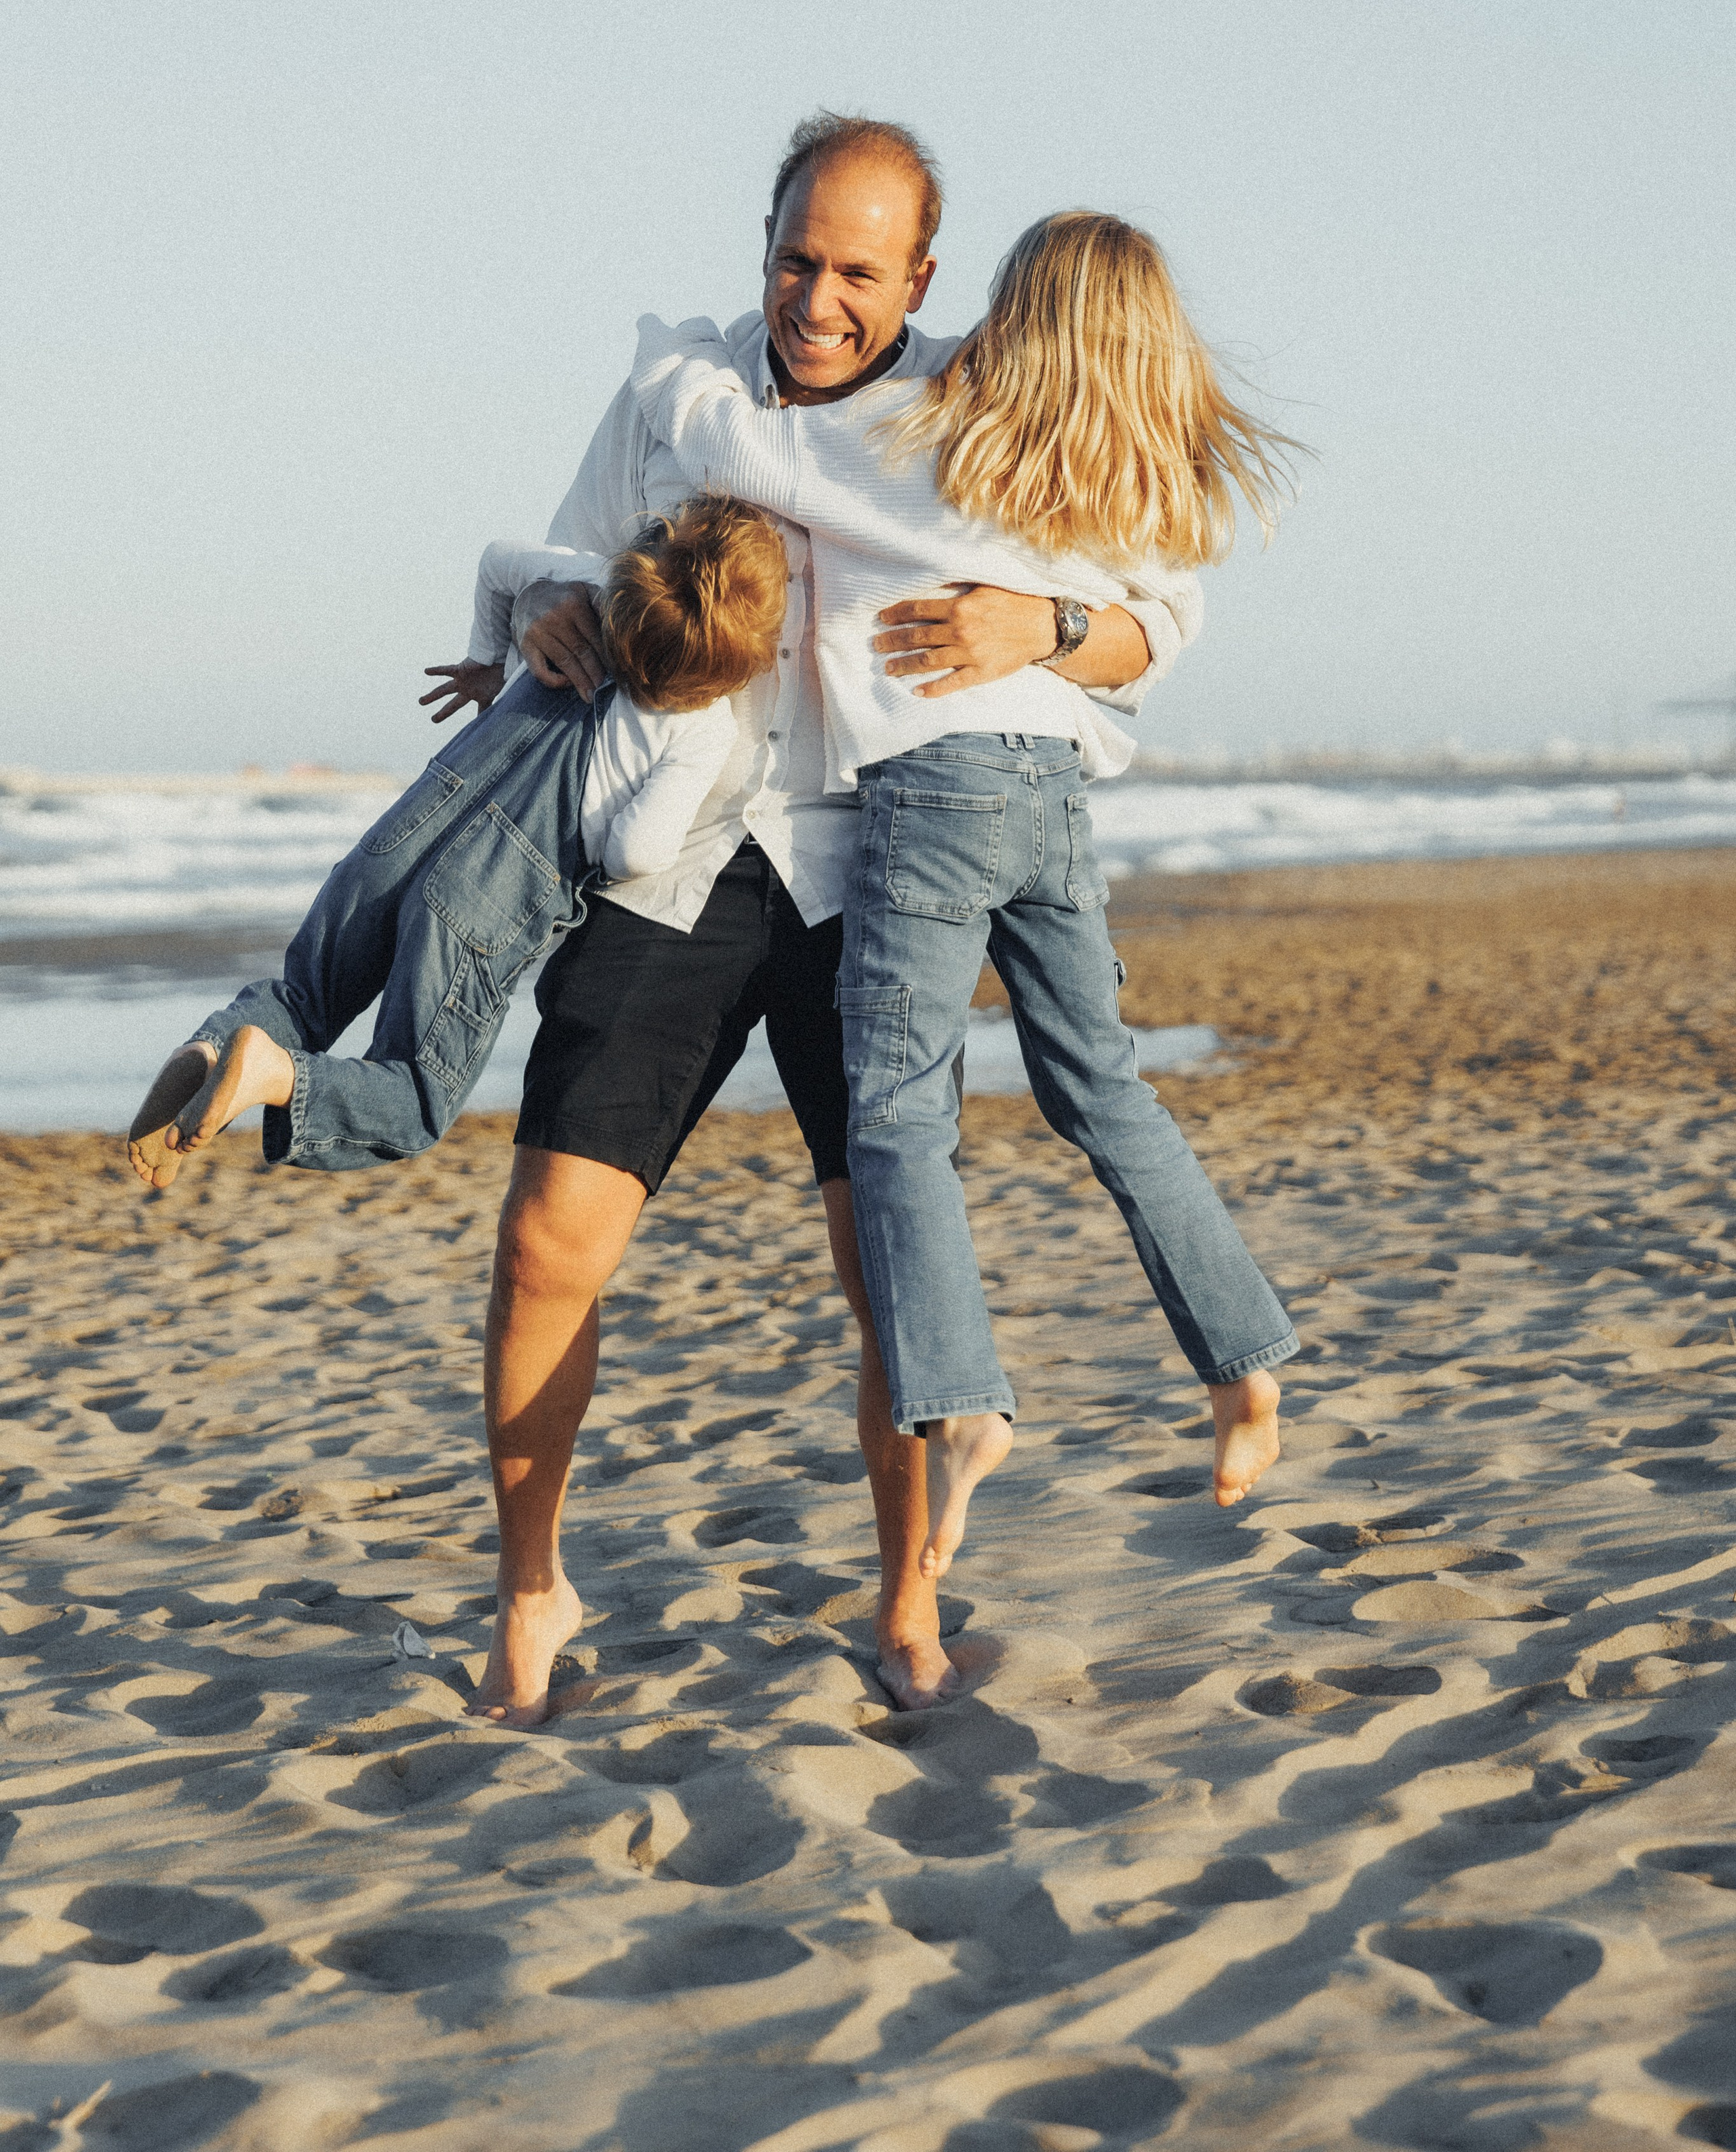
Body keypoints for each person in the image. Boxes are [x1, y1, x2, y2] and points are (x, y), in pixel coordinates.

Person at [471, 115, 1204, 1723]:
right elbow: (569, 562)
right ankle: (531, 1583)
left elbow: (1156, 609)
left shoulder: (967, 412)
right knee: (544, 1244)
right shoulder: (679, 395)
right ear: (766, 241)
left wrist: (1048, 617)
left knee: (886, 1257)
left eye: (857, 273)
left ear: (918, 278)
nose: (818, 297)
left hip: (876, 872)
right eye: (795, 257)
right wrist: (545, 613)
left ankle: (908, 1594)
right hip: (671, 858)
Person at [626, 210, 1302, 1578]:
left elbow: (728, 442)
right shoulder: (1122, 478)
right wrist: (1060, 626)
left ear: (1010, 312)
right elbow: (1163, 621)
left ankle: (959, 1406)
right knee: (1099, 1086)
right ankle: (1239, 1369)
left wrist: (673, 359)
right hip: (1052, 794)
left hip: (930, 793)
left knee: (895, 1115)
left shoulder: (916, 445)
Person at [123, 495, 788, 1177]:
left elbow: (499, 561)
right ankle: (274, 1075)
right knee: (415, 1093)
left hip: (410, 831)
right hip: (488, 897)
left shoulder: (593, 591)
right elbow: (636, 853)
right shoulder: (703, 726)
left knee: (305, 994)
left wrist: (486, 661)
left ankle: (210, 1051)